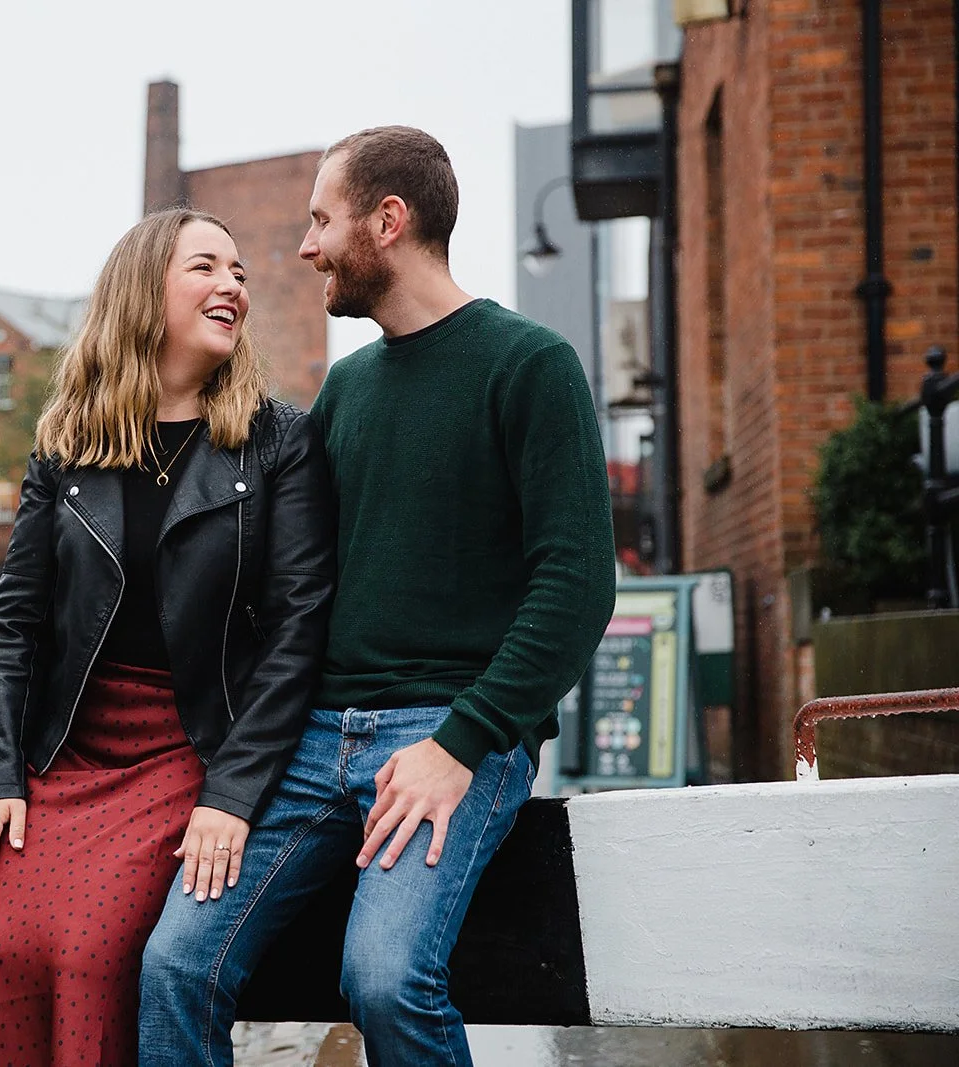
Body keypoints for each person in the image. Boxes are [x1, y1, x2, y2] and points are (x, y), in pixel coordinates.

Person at [139, 127, 617, 1065]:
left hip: (450, 732)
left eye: (323, 219)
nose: (308, 245)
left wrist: (461, 742)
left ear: (387, 222)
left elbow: (576, 589)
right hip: (316, 738)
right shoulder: (347, 389)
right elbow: (280, 580)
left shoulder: (531, 366)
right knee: (173, 965)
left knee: (387, 979)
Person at [0, 207, 337, 1067]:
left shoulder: (277, 440)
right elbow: (16, 622)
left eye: (239, 272)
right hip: (69, 755)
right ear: (144, 290)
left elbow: (297, 632)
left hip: (188, 747)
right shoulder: (68, 444)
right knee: (3, 950)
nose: (232, 285)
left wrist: (231, 795)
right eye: (207, 266)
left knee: (93, 952)